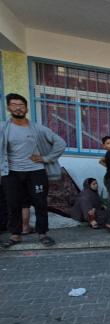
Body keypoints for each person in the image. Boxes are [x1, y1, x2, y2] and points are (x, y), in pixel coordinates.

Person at [0, 93, 66, 248]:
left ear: (26, 108)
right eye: (14, 105)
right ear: (9, 107)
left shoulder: (37, 128)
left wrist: (46, 158)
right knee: (13, 204)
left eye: (21, 105)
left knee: (40, 203)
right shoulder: (3, 128)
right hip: (12, 173)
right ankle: (15, 235)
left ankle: (43, 234)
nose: (18, 108)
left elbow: (60, 143)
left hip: (36, 171)